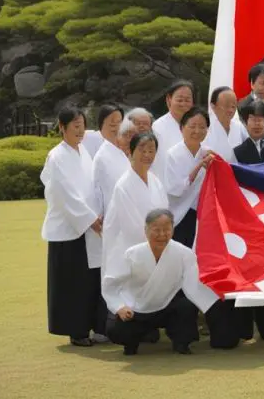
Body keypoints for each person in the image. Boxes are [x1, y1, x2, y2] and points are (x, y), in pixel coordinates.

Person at [102, 209, 229, 355]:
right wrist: (120, 307)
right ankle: (131, 344)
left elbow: (193, 285)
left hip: (165, 306)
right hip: (135, 308)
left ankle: (181, 343)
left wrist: (213, 299)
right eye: (156, 230)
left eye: (166, 230)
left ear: (173, 230)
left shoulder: (184, 254)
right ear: (146, 230)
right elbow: (111, 284)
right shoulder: (132, 254)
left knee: (186, 306)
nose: (162, 235)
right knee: (116, 329)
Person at [41, 105, 105, 347]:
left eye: (82, 126)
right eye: (75, 126)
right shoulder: (57, 156)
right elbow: (62, 193)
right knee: (71, 283)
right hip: (69, 230)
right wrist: (89, 219)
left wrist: (96, 214)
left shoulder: (83, 152)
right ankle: (75, 331)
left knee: (87, 281)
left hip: (88, 227)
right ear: (62, 127)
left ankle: (89, 326)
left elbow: (92, 187)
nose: (80, 131)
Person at [102, 133, 169, 281]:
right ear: (131, 152)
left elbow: (166, 215)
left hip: (155, 248)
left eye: (151, 151)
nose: (147, 155)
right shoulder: (123, 185)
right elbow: (131, 228)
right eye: (142, 150)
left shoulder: (155, 181)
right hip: (129, 252)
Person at [163, 107, 214, 247]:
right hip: (180, 215)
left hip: (203, 215)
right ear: (182, 128)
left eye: (202, 127)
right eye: (192, 126)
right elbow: (174, 189)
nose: (197, 131)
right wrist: (198, 167)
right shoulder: (172, 154)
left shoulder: (208, 153)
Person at [92, 118, 137, 267]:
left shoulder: (141, 158)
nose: (129, 140)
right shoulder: (104, 157)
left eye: (132, 136)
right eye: (125, 135)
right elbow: (97, 190)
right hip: (112, 221)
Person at [151, 80, 195, 178]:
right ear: (169, 99)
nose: (183, 104)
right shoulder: (157, 127)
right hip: (165, 183)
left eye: (187, 100)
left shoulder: (197, 126)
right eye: (179, 100)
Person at [205, 86, 242, 163]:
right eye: (226, 106)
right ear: (213, 106)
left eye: (233, 106)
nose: (231, 110)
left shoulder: (239, 127)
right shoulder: (205, 127)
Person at [233, 100, 264, 165]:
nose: (257, 123)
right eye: (253, 119)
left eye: (260, 119)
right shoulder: (237, 152)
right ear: (245, 123)